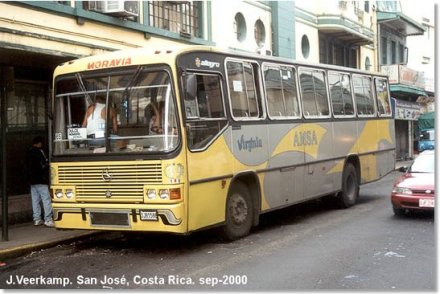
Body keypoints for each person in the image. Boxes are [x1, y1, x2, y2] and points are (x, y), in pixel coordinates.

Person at [26, 136, 54, 227]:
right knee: (46, 200)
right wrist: (47, 165)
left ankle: (37, 219)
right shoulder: (40, 152)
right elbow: (43, 165)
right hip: (41, 180)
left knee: (35, 200)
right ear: (39, 143)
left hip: (32, 181)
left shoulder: (28, 152)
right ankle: (48, 219)